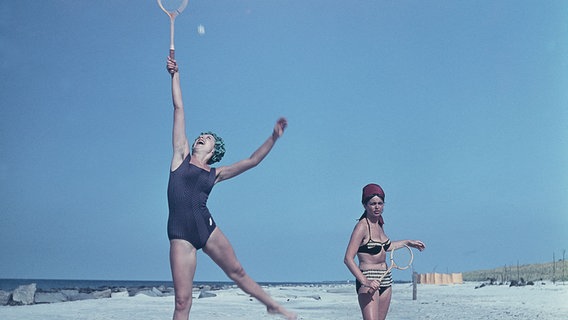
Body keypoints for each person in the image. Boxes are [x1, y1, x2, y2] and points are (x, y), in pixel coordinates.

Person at [165, 56, 297, 320]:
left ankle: (274, 306)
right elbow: (179, 109)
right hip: (180, 233)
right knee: (182, 301)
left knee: (236, 271)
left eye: (207, 138)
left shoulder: (216, 173)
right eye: (201, 136)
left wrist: (273, 138)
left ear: (214, 151)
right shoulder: (180, 156)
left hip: (206, 226)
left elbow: (252, 161)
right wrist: (175, 75)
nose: (201, 137)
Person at [344, 183, 426, 320]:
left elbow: (385, 247)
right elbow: (348, 259)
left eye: (380, 203)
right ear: (365, 205)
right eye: (373, 203)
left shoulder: (379, 224)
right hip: (368, 278)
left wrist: (408, 242)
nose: (377, 207)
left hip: (386, 278)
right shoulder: (362, 227)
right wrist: (365, 281)